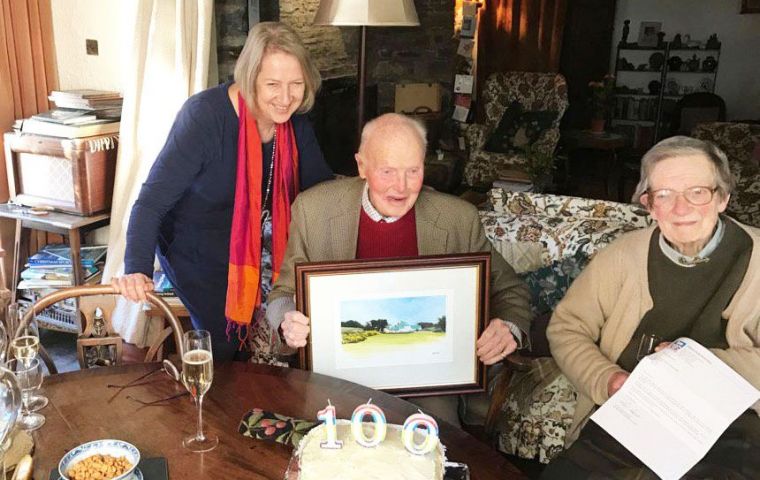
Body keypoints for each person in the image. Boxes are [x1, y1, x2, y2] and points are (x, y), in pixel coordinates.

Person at [266, 113, 532, 424]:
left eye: (413, 171)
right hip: (337, 374)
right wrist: (287, 321)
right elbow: (283, 293)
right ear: (362, 166)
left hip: (428, 380)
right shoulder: (314, 210)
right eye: (388, 171)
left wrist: (508, 327)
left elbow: (510, 290)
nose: (401, 187)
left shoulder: (458, 218)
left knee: (435, 445)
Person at [111, 22, 333, 362]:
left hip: (262, 237)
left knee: (294, 325)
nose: (286, 97)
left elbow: (321, 191)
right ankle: (226, 406)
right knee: (229, 342)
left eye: (296, 85)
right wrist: (137, 267)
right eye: (273, 84)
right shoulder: (204, 117)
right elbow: (151, 202)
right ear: (248, 79)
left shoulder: (295, 119)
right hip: (195, 246)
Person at [542, 136, 760, 479]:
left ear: (723, 198)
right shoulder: (622, 255)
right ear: (649, 204)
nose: (681, 208)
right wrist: (608, 380)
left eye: (697, 192)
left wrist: (694, 363)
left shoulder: (757, 258)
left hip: (730, 418)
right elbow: (567, 327)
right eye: (665, 195)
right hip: (633, 407)